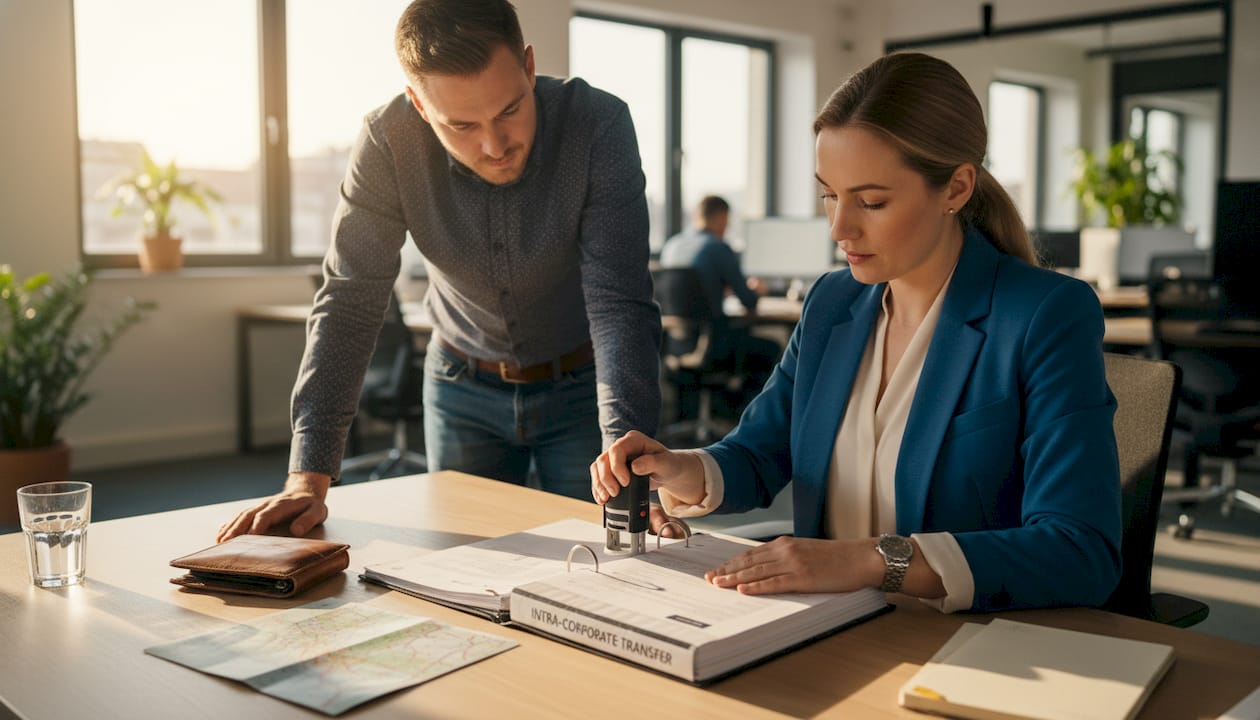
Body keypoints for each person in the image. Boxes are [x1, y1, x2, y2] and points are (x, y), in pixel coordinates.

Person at [591, 52, 1123, 613]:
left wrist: (872, 560)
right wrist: (684, 468)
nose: (840, 227)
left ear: (956, 188)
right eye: (829, 195)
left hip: (962, 643)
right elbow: (759, 453)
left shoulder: (1044, 315)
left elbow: (1079, 551)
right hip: (825, 630)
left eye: (871, 201)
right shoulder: (832, 303)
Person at [219, 0, 664, 542]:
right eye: (461, 125)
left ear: (528, 67)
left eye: (508, 111)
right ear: (419, 105)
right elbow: (350, 301)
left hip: (583, 389)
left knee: (602, 561)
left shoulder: (598, 124)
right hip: (461, 388)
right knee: (464, 568)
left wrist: (627, 445)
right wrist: (305, 478)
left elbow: (618, 303)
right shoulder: (389, 140)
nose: (494, 146)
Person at [659, 196, 781, 418]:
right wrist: (756, 290)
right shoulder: (717, 247)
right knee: (771, 348)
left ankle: (699, 417)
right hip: (714, 347)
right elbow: (749, 301)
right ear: (722, 218)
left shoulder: (672, 246)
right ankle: (744, 419)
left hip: (676, 345)